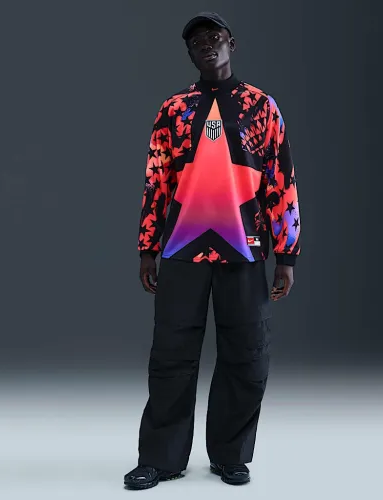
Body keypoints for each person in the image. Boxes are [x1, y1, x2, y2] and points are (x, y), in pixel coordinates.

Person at [124, 11, 301, 491]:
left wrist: (286, 254)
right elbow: (157, 179)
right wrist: (147, 247)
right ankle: (161, 458)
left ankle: (231, 455)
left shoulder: (261, 107)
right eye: (196, 41)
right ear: (189, 53)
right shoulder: (174, 109)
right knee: (170, 356)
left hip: (245, 248)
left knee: (246, 355)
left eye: (215, 36)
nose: (206, 44)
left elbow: (281, 179)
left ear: (231, 44)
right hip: (182, 248)